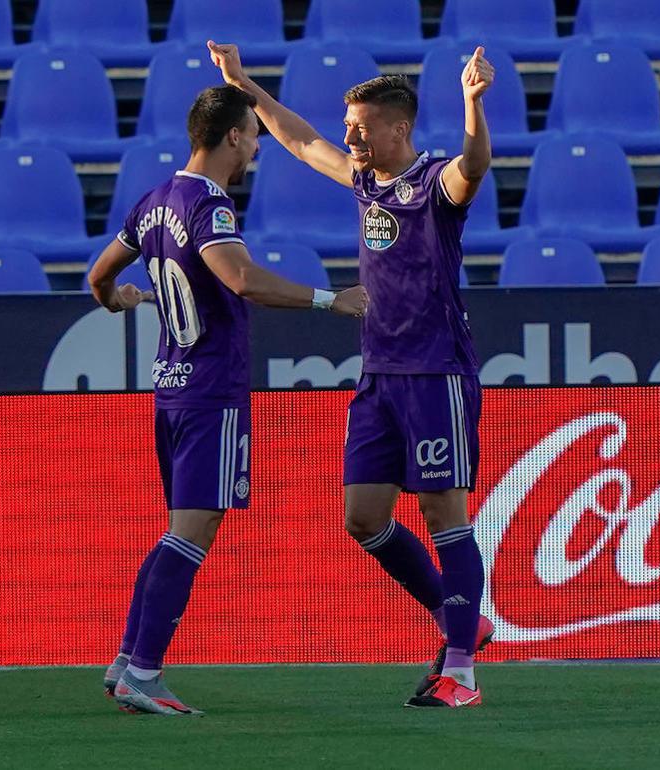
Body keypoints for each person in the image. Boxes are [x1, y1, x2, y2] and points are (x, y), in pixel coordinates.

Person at [208, 41, 495, 708]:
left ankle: (462, 670)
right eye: (348, 126)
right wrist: (245, 84)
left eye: (359, 127)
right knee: (363, 519)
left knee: (442, 512)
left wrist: (473, 106)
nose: (348, 136)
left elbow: (474, 165)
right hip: (379, 376)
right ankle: (465, 621)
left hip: (435, 373)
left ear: (398, 128)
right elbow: (303, 141)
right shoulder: (367, 181)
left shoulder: (433, 185)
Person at [91, 85, 368, 715]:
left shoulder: (155, 198)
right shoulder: (207, 204)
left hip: (169, 389)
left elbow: (98, 277)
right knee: (194, 529)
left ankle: (128, 656)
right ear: (233, 137)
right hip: (210, 388)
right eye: (253, 136)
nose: (255, 149)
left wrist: (120, 300)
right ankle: (144, 669)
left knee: (180, 530)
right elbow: (242, 279)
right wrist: (331, 299)